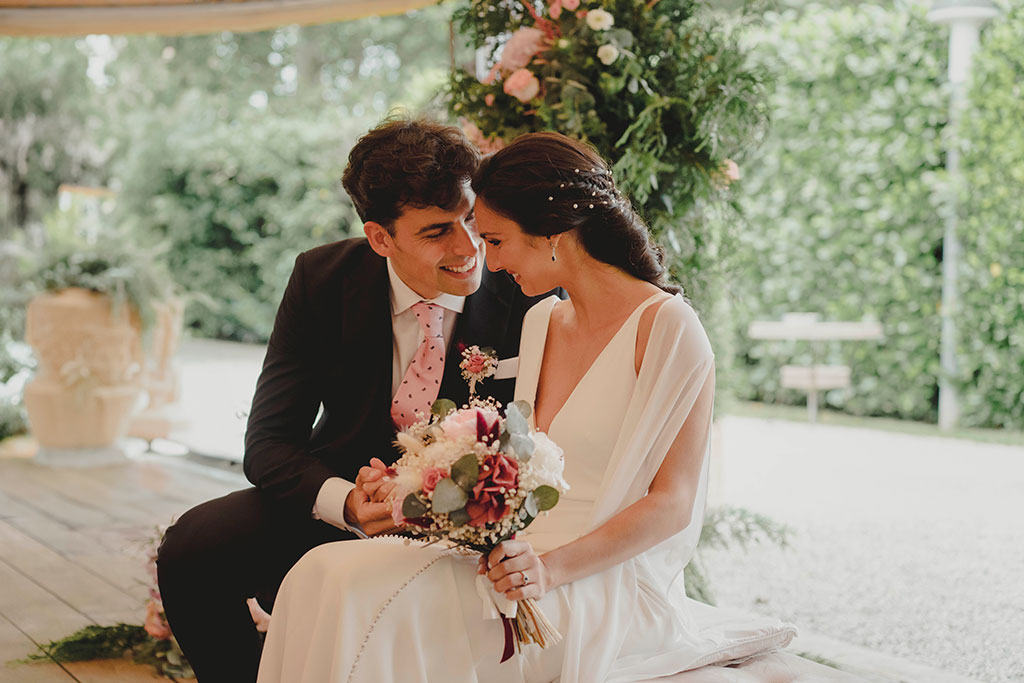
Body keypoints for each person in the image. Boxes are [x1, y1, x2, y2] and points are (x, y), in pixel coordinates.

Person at [255, 131, 796, 683]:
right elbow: (516, 469)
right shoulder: (541, 322)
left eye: (494, 239)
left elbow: (674, 504)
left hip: (597, 575)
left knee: (374, 601)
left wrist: (549, 570)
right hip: (513, 556)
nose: (482, 259)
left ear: (553, 233)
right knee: (321, 573)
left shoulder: (669, 327)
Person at [156, 118, 552, 682]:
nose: (469, 248)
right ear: (380, 238)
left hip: (477, 522)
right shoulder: (322, 279)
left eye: (471, 218)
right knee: (191, 550)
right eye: (437, 231)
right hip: (347, 508)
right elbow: (268, 443)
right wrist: (345, 503)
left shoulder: (524, 282)